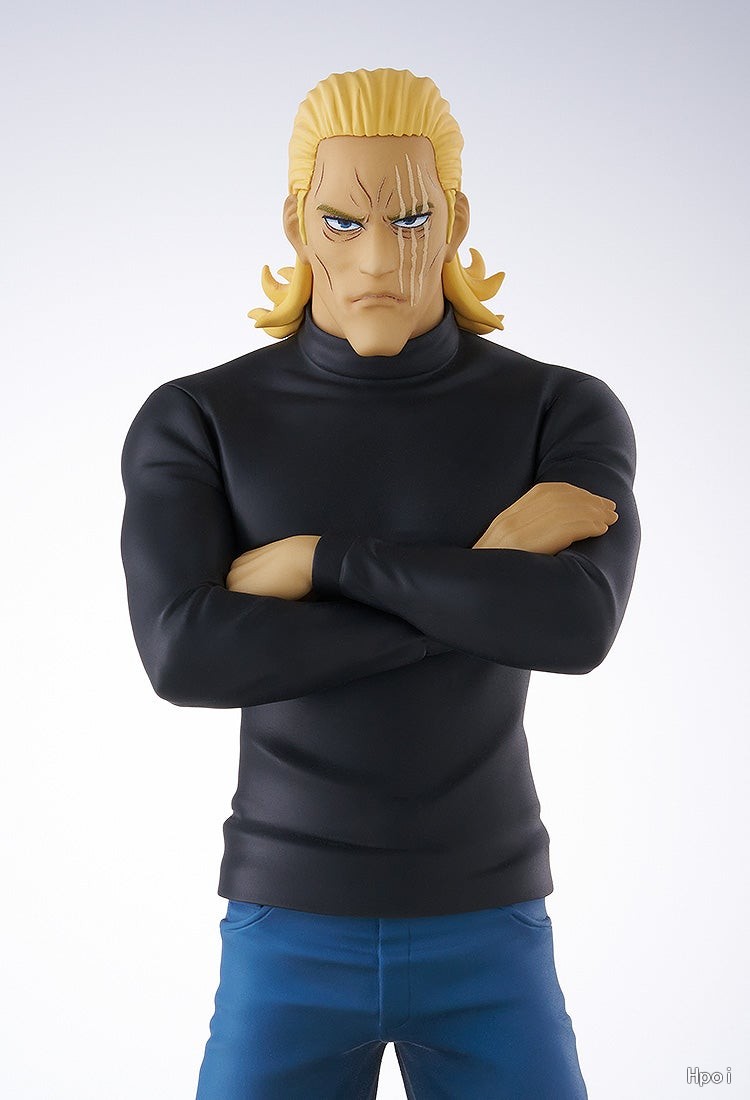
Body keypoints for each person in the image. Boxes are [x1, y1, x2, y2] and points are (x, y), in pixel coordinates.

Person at [120, 67, 640, 1100]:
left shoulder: (561, 408)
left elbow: (578, 626)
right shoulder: (200, 417)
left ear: (455, 220)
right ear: (296, 223)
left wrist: (325, 561)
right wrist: (484, 580)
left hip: (491, 922)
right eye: (342, 220)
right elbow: (186, 655)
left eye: (410, 219)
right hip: (286, 924)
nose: (377, 258)